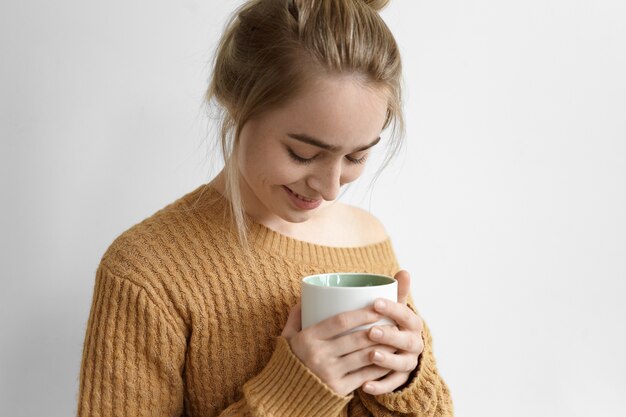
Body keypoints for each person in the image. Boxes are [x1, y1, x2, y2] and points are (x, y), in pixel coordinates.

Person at [76, 0, 454, 416]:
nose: (330, 188)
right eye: (303, 153)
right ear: (237, 104)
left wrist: (405, 380)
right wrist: (292, 395)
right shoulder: (146, 271)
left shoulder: (369, 239)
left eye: (356, 158)